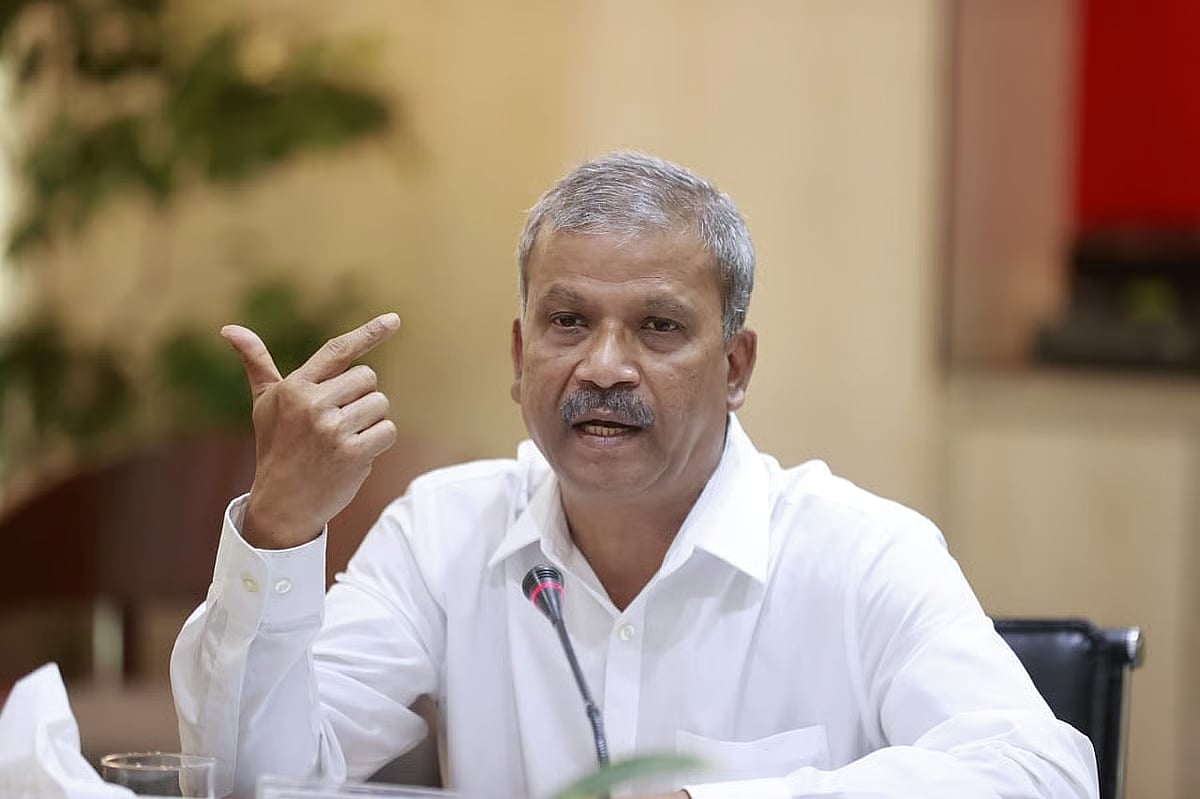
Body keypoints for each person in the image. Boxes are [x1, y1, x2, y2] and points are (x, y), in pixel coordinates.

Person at [171, 152, 1099, 799]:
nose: (604, 367)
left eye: (658, 327)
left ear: (735, 366)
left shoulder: (856, 551)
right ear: (520, 351)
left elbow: (1044, 774)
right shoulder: (443, 533)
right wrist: (280, 529)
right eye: (568, 321)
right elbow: (254, 783)